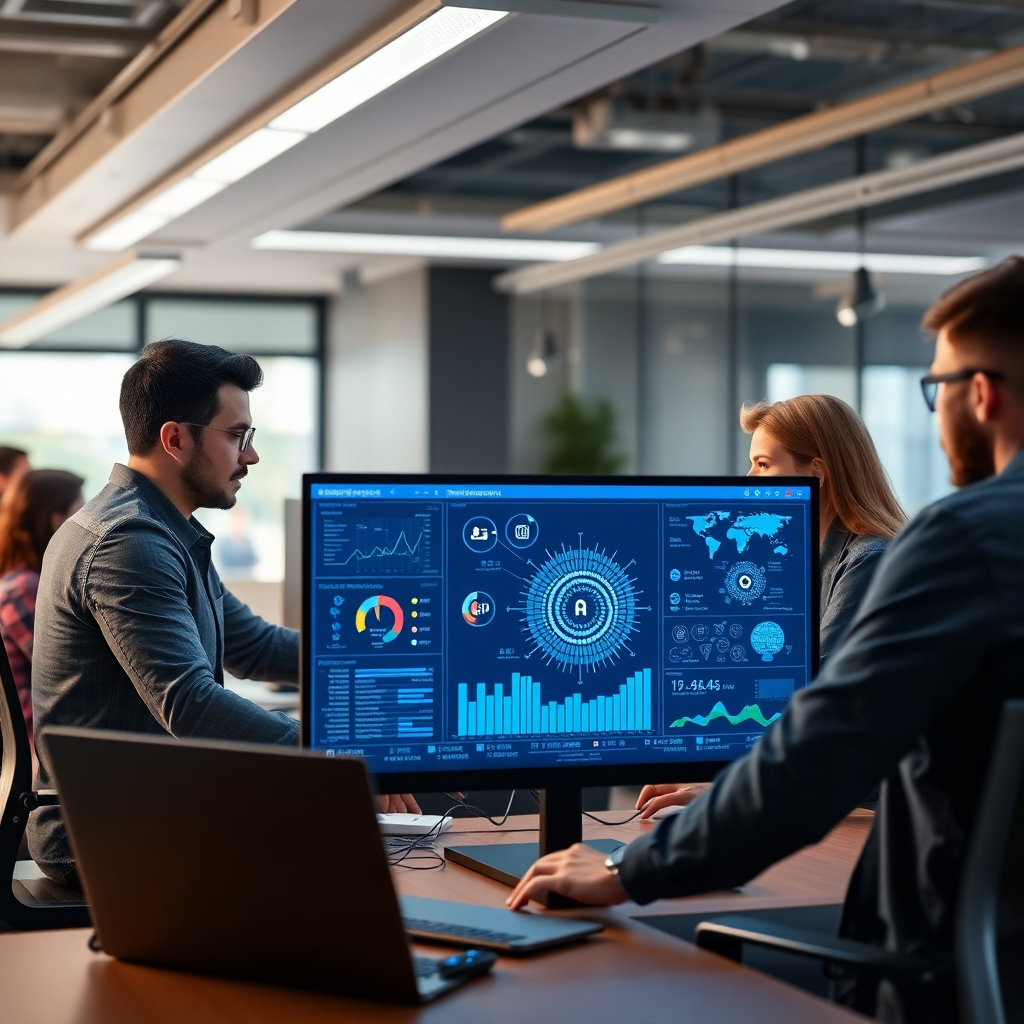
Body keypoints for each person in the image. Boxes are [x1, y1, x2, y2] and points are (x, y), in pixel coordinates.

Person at [507, 257, 1024, 1024]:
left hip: (946, 977)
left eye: (937, 385)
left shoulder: (963, 540)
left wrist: (627, 868)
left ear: (979, 394)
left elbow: (826, 751)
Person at [29, 339, 417, 887]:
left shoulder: (164, 530)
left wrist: (390, 670)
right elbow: (189, 703)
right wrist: (341, 752)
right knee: (353, 853)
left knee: (361, 838)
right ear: (174, 439)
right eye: (237, 436)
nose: (251, 456)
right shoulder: (128, 541)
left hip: (152, 807)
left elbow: (254, 647)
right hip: (103, 830)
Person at [640, 394, 906, 819]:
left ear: (816, 473)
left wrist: (724, 791)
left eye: (763, 464)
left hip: (862, 811)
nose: (748, 478)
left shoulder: (867, 561)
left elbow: (805, 702)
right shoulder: (791, 557)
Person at [0, 470, 84, 745]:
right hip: (49, 753)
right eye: (79, 513)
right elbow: (69, 672)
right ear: (54, 519)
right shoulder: (24, 589)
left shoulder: (16, 581)